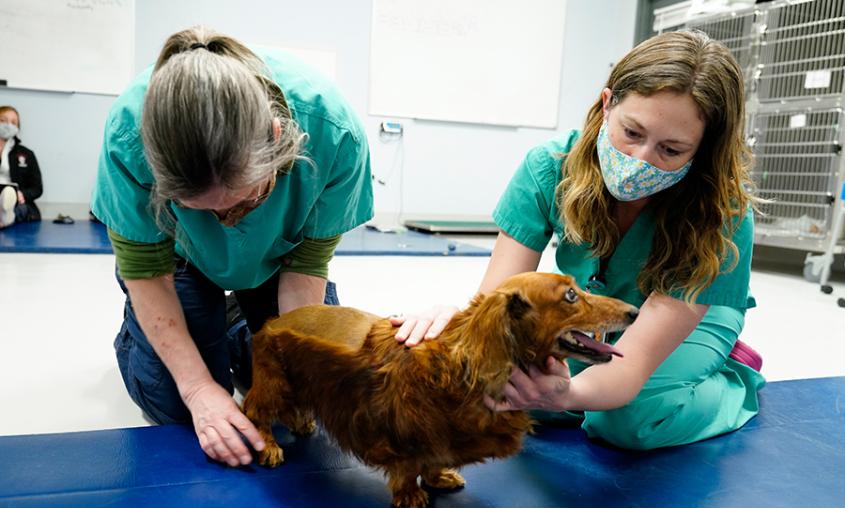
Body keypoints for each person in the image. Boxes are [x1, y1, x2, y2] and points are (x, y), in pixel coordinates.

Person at [394, 30, 765, 450]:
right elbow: (500, 302)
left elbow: (632, 368)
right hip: (594, 297)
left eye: (671, 150)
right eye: (632, 132)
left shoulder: (722, 213)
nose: (639, 160)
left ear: (702, 150)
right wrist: (457, 320)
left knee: (628, 421)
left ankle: (732, 378)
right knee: (510, 386)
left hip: (694, 309)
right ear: (607, 104)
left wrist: (565, 395)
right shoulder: (549, 166)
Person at [91, 27, 373, 466]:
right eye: (202, 208)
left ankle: (234, 317)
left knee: (299, 391)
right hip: (178, 261)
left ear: (279, 137)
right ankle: (147, 333)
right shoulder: (130, 135)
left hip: (278, 260)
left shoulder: (333, 132)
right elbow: (147, 271)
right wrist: (199, 388)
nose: (226, 221)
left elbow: (308, 264)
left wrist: (295, 360)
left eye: (245, 201)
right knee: (177, 408)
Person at [0, 105, 42, 228]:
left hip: (17, 201)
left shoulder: (27, 154)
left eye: (13, 122)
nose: (8, 125)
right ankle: (4, 216)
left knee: (20, 206)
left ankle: (8, 215)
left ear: (18, 128)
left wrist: (22, 194)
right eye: (3, 120)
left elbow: (37, 188)